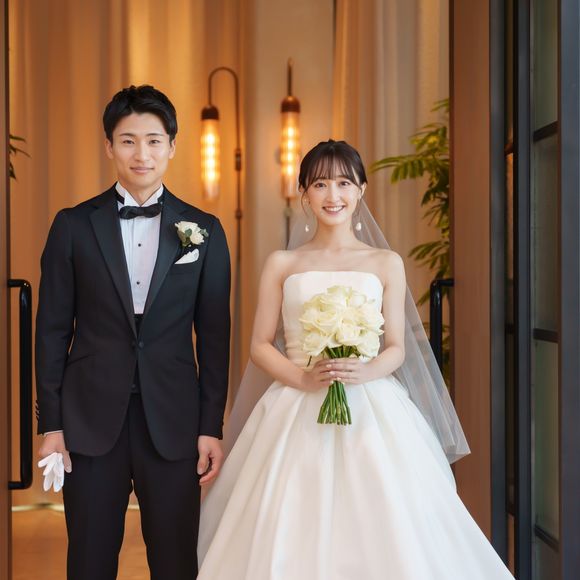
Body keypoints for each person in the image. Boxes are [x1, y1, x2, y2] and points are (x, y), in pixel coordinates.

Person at [197, 139, 514, 579]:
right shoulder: (283, 263)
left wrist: (364, 371)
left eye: (344, 183)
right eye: (320, 184)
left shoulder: (385, 262)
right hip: (295, 404)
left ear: (361, 189)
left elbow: (397, 348)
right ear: (304, 193)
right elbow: (260, 345)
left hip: (370, 404)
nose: (333, 195)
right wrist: (303, 379)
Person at [35, 85, 231, 580]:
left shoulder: (204, 229)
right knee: (89, 561)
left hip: (174, 420)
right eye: (127, 141)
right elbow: (51, 331)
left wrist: (210, 426)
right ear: (109, 147)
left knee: (175, 562)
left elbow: (214, 337)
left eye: (153, 140)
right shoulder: (73, 226)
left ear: (172, 146)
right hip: (88, 420)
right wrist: (51, 425)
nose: (141, 154)